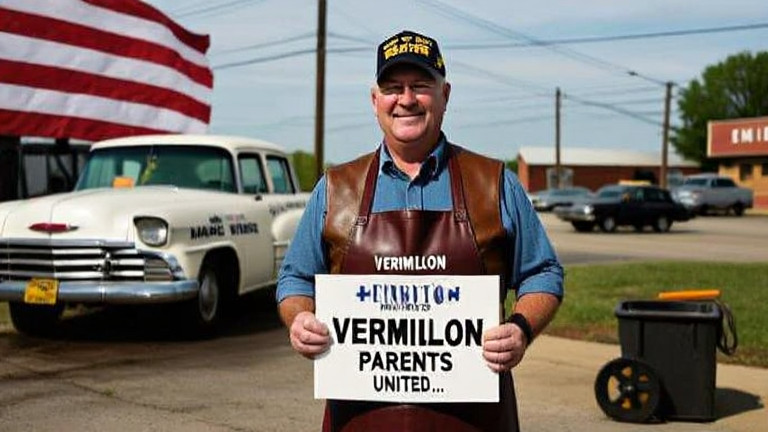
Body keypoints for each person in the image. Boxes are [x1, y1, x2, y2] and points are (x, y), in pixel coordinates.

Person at [276, 29, 564, 432]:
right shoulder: (335, 189)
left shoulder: (495, 182)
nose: (406, 99)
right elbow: (295, 278)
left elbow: (543, 273)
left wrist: (520, 329)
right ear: (375, 101)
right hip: (360, 419)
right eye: (393, 87)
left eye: (420, 86)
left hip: (475, 420)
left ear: (445, 96)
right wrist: (299, 319)